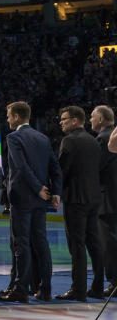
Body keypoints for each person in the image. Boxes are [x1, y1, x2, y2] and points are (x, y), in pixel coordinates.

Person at [0, 101, 61, 303]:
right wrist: (55, 192)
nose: (7, 119)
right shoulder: (42, 138)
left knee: (21, 243)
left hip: (23, 197)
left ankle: (20, 288)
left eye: (9, 115)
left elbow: (21, 167)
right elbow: (55, 167)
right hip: (41, 199)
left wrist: (37, 188)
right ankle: (45, 289)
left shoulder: (13, 137)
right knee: (41, 244)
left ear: (17, 116)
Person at [57, 105, 105, 300]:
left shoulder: (69, 141)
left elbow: (62, 171)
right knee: (94, 244)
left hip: (76, 199)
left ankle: (78, 290)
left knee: (77, 246)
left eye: (65, 119)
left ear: (75, 120)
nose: (61, 122)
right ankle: (98, 287)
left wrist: (54, 192)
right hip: (94, 199)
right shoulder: (94, 141)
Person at [92, 105, 117, 297]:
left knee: (108, 242)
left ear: (101, 119)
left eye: (93, 116)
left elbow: (96, 169)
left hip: (107, 199)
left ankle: (114, 282)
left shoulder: (102, 139)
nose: (90, 120)